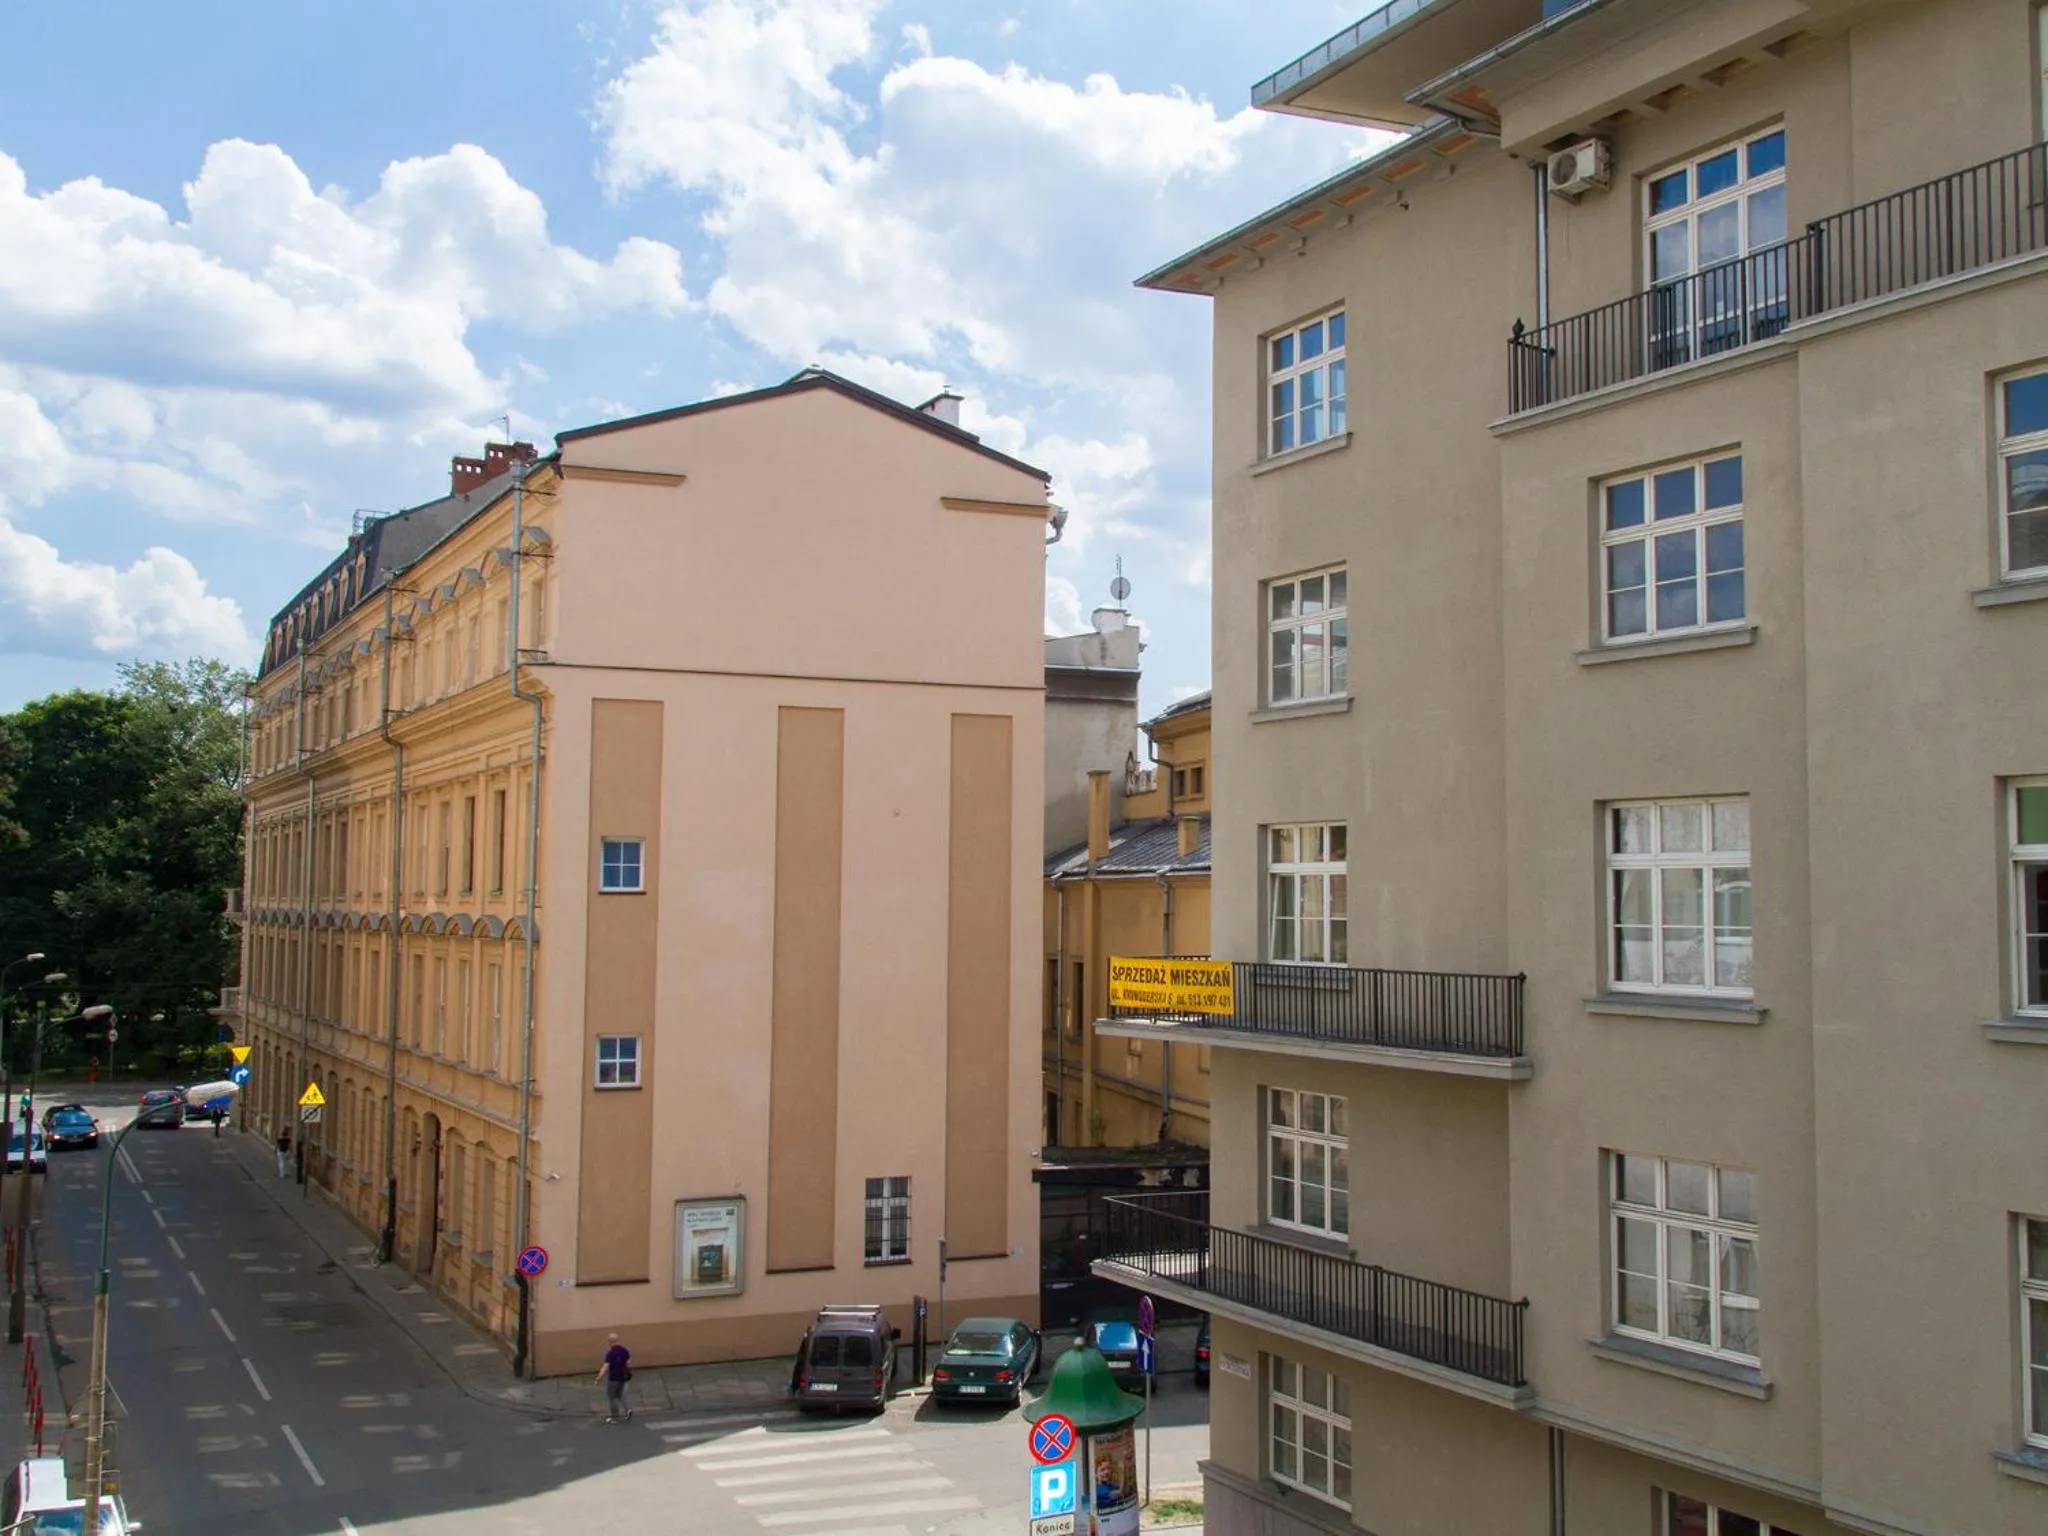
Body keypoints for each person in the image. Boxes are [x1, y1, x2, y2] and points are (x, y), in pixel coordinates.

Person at [596, 1332, 632, 1422]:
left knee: (612, 1397)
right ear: (618, 1340)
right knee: (620, 1395)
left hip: (613, 1378)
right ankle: (628, 1410)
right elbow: (628, 1362)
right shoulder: (625, 1350)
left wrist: (599, 1377)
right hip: (623, 1377)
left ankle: (614, 1417)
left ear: (609, 1341)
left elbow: (605, 1366)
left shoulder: (610, 1353)